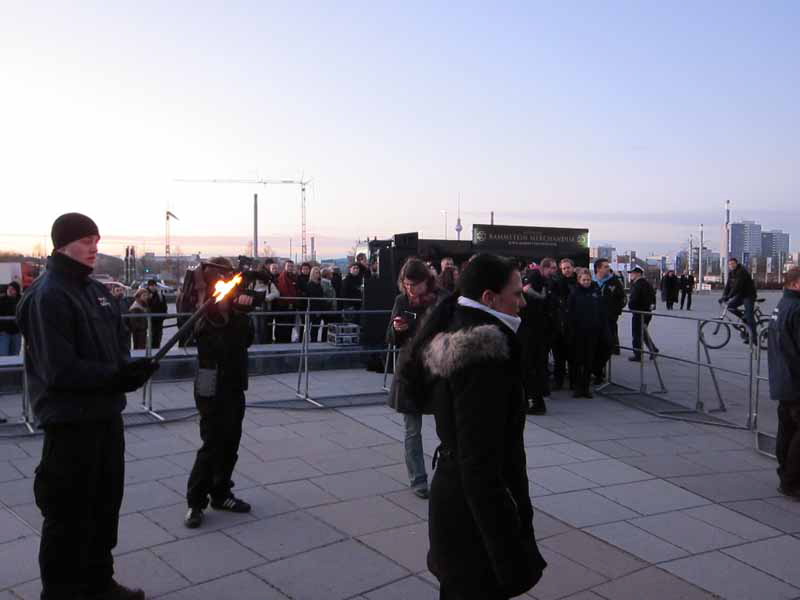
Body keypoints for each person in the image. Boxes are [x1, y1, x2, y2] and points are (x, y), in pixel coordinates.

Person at [16, 212, 156, 600]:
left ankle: (99, 581)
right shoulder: (49, 295)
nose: (95, 247)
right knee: (67, 515)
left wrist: (131, 369)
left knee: (104, 506)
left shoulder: (95, 291)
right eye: (85, 240)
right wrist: (116, 376)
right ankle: (61, 592)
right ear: (62, 245)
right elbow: (59, 370)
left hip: (106, 418)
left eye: (96, 239)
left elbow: (116, 344)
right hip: (69, 425)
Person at [398, 253, 546, 599]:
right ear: (489, 299)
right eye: (516, 294)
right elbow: (479, 464)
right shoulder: (483, 356)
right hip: (470, 520)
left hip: (456, 505)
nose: (523, 302)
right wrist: (507, 553)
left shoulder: (457, 326)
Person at [185, 257, 255, 528]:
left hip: (234, 380)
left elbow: (245, 341)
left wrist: (241, 314)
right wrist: (235, 316)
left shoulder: (232, 302)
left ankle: (221, 492)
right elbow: (211, 340)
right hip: (210, 380)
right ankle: (195, 502)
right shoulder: (204, 302)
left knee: (231, 440)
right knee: (212, 441)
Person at [386, 258, 444, 499]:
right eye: (406, 284)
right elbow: (389, 337)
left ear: (426, 282)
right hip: (410, 371)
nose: (410, 289)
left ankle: (447, 477)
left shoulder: (441, 299)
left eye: (415, 285)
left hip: (436, 369)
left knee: (446, 428)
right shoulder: (401, 300)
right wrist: (397, 330)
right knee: (412, 431)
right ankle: (418, 480)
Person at [768, 268, 800, 497]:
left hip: (783, 380)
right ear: (796, 284)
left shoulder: (782, 305)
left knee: (786, 430)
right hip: (796, 381)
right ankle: (792, 482)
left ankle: (785, 475)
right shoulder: (797, 309)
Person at [520, 260, 556, 415]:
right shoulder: (534, 276)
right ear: (545, 267)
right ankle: (537, 398)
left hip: (537, 327)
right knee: (535, 364)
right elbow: (526, 289)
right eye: (552, 268)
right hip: (532, 326)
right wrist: (542, 297)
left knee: (534, 364)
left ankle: (536, 400)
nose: (554, 271)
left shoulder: (546, 280)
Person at [568, 269, 610, 398]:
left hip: (593, 332)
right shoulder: (574, 294)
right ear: (579, 280)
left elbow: (602, 312)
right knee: (578, 360)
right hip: (579, 332)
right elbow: (570, 313)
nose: (586, 282)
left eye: (588, 280)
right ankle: (577, 387)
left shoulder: (596, 292)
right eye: (583, 280)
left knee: (589, 360)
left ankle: (585, 388)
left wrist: (604, 328)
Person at [594, 258, 626, 376]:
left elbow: (622, 299)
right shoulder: (591, 281)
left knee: (608, 346)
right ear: (598, 268)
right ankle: (597, 372)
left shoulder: (614, 281)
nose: (608, 268)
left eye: (608, 266)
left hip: (609, 320)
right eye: (605, 266)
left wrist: (614, 313)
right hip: (594, 320)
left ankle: (599, 368)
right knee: (594, 346)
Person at [551, 258, 578, 389]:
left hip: (573, 325)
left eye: (568, 267)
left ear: (573, 268)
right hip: (559, 325)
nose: (566, 270)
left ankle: (573, 382)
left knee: (573, 357)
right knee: (559, 357)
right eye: (564, 268)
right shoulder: (556, 282)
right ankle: (558, 382)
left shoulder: (578, 282)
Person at [721, 257, 758, 344]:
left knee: (749, 316)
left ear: (736, 264)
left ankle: (754, 337)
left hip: (749, 295)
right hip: (740, 295)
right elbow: (728, 286)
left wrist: (729, 296)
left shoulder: (741, 272)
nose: (731, 265)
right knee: (729, 306)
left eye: (733, 264)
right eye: (730, 264)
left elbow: (737, 286)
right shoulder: (731, 273)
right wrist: (724, 296)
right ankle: (743, 318)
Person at [628, 266, 659, 361]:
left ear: (638, 274)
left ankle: (638, 354)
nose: (631, 275)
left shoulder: (639, 284)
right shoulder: (646, 283)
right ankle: (653, 349)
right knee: (643, 332)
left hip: (639, 312)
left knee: (637, 333)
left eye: (632, 273)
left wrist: (631, 306)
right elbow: (653, 297)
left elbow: (635, 299)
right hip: (646, 312)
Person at [275, 260, 301, 343]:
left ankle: (286, 341)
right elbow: (284, 291)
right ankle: (281, 342)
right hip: (285, 305)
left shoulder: (292, 276)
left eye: (291, 266)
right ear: (285, 267)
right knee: (283, 326)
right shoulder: (283, 277)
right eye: (288, 266)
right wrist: (290, 302)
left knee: (289, 325)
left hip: (291, 305)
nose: (290, 267)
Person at [0, 281, 22, 356]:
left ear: (16, 290)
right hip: (4, 332)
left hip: (16, 332)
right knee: (4, 354)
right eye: (8, 288)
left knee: (15, 354)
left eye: (12, 289)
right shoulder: (2, 300)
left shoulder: (21, 300)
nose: (9, 290)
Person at [305, 266, 327, 342]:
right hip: (313, 309)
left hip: (319, 308)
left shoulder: (319, 284)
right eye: (316, 273)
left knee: (316, 327)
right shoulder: (310, 285)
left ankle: (314, 341)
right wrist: (316, 310)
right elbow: (312, 299)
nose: (318, 274)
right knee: (313, 327)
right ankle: (312, 342)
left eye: (319, 273)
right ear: (313, 274)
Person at [145, 279, 168, 347]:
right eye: (151, 286)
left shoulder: (160, 295)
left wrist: (162, 316)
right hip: (149, 321)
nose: (153, 287)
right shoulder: (144, 294)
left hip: (158, 321)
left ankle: (156, 351)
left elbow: (164, 307)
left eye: (154, 286)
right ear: (149, 286)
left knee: (157, 338)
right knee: (150, 339)